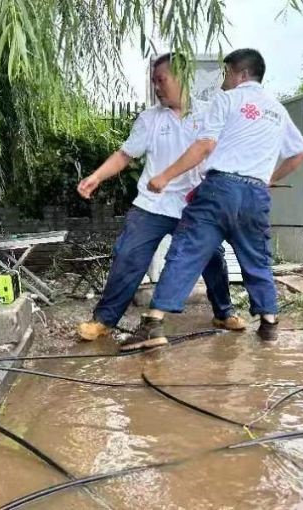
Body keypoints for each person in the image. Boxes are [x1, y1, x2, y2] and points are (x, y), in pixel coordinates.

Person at [121, 48, 303, 350]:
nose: (223, 81)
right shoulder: (277, 109)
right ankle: (269, 324)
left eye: (226, 74)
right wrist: (269, 178)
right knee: (257, 257)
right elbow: (299, 152)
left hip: (220, 189)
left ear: (241, 74)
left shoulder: (228, 99)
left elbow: (205, 146)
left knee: (187, 251)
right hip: (255, 193)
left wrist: (165, 176)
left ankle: (154, 324)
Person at [76, 53, 246, 344]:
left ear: (181, 77)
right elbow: (125, 154)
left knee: (212, 257)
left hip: (194, 205)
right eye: (153, 81)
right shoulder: (149, 119)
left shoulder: (209, 114)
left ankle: (223, 311)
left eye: (161, 80)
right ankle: (104, 320)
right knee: (128, 256)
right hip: (152, 204)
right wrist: (97, 176)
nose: (156, 87)